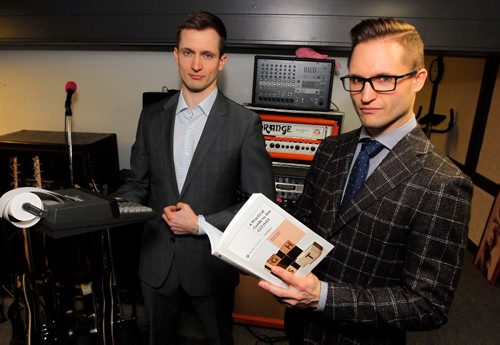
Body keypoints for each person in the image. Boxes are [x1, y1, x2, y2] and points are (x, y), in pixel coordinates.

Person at [258, 18, 473, 344]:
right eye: (357, 79)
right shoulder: (331, 149)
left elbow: (428, 305)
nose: (365, 95)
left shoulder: (443, 183)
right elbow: (302, 226)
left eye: (384, 78)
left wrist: (324, 297)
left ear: (418, 79)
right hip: (300, 329)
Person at [114, 11, 275, 345]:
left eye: (207, 55)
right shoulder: (152, 116)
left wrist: (200, 224)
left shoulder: (244, 124)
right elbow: (138, 184)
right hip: (156, 263)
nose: (196, 65)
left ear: (222, 61)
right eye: (188, 53)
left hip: (211, 267)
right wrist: (107, 208)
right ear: (176, 55)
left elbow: (261, 204)